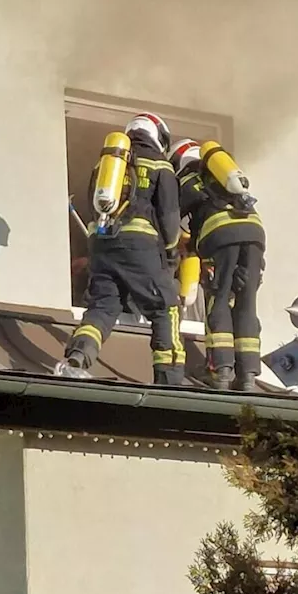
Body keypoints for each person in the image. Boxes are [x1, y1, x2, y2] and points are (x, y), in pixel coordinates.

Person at [57, 112, 187, 385]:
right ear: (158, 135)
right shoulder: (160, 164)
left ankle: (78, 354)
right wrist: (172, 253)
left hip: (103, 245)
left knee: (102, 308)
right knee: (167, 306)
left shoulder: (105, 165)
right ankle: (169, 378)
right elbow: (170, 217)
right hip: (138, 246)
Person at [168, 138, 265, 391]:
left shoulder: (188, 179)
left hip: (220, 237)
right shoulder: (224, 179)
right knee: (246, 301)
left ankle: (220, 371)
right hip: (254, 233)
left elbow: (172, 218)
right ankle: (247, 376)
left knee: (219, 298)